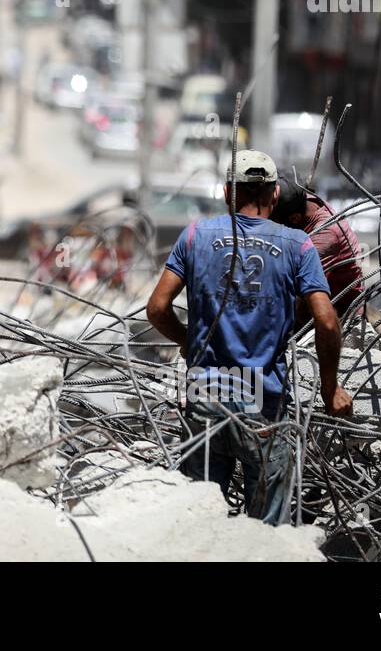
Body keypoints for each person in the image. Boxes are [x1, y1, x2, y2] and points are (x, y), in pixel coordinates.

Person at [145, 150, 353, 525]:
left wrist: (189, 342)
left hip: (205, 397)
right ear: (274, 196)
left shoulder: (194, 235)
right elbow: (326, 321)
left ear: (227, 193)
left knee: (198, 521)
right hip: (264, 406)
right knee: (267, 534)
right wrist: (329, 387)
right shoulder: (298, 246)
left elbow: (158, 308)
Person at [271, 171, 366, 321]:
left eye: (272, 223)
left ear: (294, 218)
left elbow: (298, 297)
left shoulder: (325, 235)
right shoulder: (302, 199)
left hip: (340, 319)